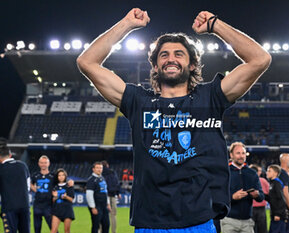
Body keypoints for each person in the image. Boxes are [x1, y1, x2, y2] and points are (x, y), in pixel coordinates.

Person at [77, 8, 271, 231]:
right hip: (149, 222)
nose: (171, 59)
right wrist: (126, 25)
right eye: (164, 55)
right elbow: (86, 62)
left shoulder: (209, 98)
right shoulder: (139, 102)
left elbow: (260, 59)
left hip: (198, 221)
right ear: (156, 66)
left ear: (191, 65)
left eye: (179, 54)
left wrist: (215, 25)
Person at [221, 142, 264, 233]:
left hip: (247, 222)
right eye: (238, 153)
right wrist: (232, 197)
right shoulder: (224, 172)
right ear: (231, 155)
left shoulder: (252, 173)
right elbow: (218, 196)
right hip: (229, 220)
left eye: (243, 153)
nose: (241, 156)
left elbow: (261, 197)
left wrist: (256, 195)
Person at [0, 137, 30, 233]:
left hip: (9, 207)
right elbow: (28, 186)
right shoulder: (23, 165)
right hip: (24, 206)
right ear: (10, 155)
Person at [30, 155, 56, 233]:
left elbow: (61, 184)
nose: (43, 164)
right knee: (37, 228)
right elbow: (29, 183)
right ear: (38, 163)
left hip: (49, 205)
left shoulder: (53, 176)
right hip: (37, 204)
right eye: (41, 163)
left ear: (49, 163)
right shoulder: (35, 175)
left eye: (45, 163)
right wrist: (34, 188)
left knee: (53, 228)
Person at [86, 162, 111, 233]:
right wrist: (93, 207)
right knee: (96, 226)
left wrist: (108, 203)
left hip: (104, 206)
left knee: (106, 225)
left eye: (101, 168)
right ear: (93, 169)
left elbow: (106, 192)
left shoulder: (102, 178)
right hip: (96, 206)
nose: (99, 169)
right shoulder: (91, 180)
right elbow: (89, 194)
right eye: (97, 168)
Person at [51, 168, 75, 233]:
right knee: (53, 231)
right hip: (57, 210)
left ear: (65, 176)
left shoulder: (69, 186)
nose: (61, 177)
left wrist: (66, 197)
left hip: (67, 210)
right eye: (59, 175)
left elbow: (72, 199)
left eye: (63, 175)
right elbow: (52, 201)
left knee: (67, 231)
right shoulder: (54, 187)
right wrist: (55, 197)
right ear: (57, 177)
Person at [265, 164, 288, 233]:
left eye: (269, 171)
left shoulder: (277, 183)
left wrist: (278, 214)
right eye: (267, 171)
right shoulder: (272, 183)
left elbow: (281, 199)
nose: (267, 172)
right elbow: (272, 198)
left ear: (275, 173)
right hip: (275, 214)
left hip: (278, 216)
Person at [101, 160, 121, 233]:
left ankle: (101, 231)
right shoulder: (112, 172)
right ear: (107, 165)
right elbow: (117, 183)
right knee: (113, 215)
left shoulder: (100, 173)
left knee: (102, 215)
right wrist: (118, 193)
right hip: (112, 195)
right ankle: (113, 231)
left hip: (103, 196)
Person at [278, 153, 289, 233]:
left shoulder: (281, 173)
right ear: (285, 160)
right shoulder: (283, 174)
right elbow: (285, 192)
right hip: (285, 208)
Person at [251, 164, 269, 233]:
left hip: (252, 207)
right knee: (262, 228)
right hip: (261, 207)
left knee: (252, 228)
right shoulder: (263, 181)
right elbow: (268, 192)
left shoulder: (246, 180)